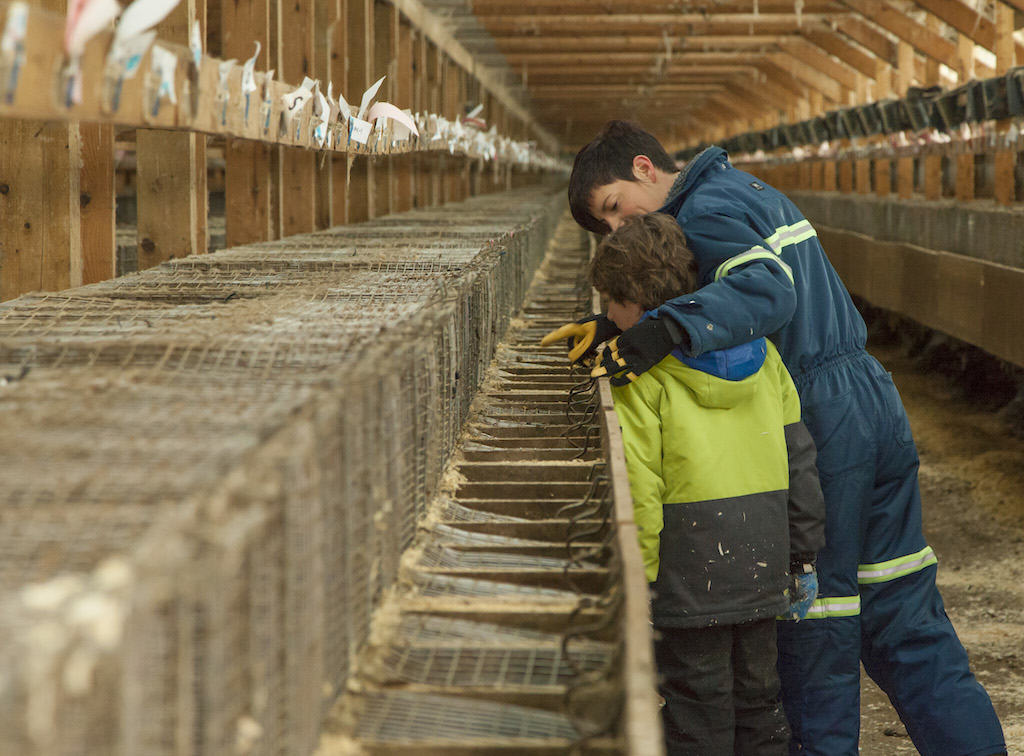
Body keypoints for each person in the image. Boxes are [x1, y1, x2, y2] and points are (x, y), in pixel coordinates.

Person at [545, 120, 1005, 756]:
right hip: (869, 394)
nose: (619, 229)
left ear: (646, 169)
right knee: (903, 611)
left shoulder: (701, 209)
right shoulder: (745, 189)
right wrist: (617, 326)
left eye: (614, 209)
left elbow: (765, 289)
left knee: (815, 617)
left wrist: (660, 334)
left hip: (819, 408)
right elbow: (705, 285)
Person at [574, 212, 826, 755]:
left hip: (688, 575)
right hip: (763, 561)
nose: (609, 316)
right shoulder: (766, 357)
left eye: (611, 304)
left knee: (697, 705)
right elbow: (799, 459)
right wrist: (802, 555)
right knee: (760, 702)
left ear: (634, 303)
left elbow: (638, 489)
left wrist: (633, 581)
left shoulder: (640, 379)